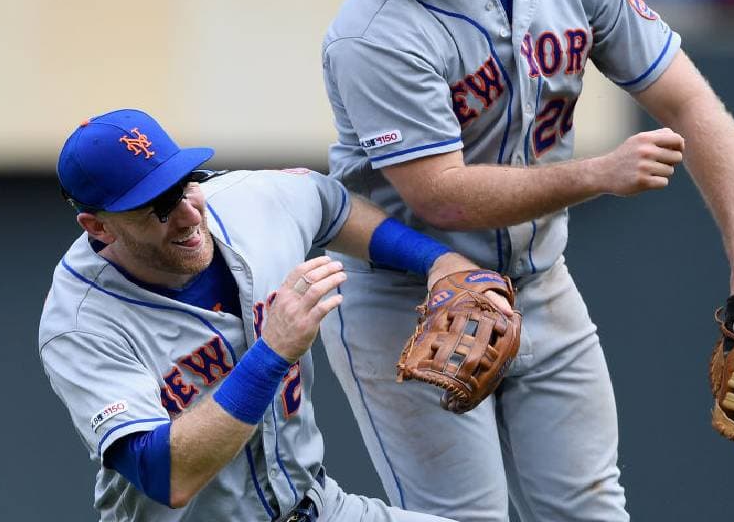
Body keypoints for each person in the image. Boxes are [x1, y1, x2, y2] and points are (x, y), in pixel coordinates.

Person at [318, 0, 734, 522]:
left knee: (590, 510)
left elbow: (693, 105)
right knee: (461, 519)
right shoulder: (372, 34)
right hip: (409, 298)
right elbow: (443, 197)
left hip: (540, 284)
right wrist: (598, 175)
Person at [38, 108, 480, 522]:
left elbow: (331, 206)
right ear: (98, 226)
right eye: (159, 206)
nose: (190, 214)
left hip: (320, 506)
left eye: (184, 184)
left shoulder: (245, 202)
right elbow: (166, 475)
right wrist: (273, 352)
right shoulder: (80, 324)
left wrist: (438, 262)